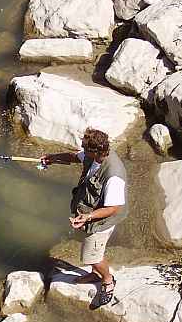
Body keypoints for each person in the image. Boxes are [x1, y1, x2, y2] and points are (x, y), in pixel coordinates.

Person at [40, 128, 128, 308]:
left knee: (92, 256)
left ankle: (107, 280)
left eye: (84, 148)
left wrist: (88, 217)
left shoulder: (114, 175)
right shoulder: (94, 155)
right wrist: (53, 158)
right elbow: (74, 157)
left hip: (101, 223)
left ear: (96, 150)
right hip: (89, 217)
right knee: (90, 251)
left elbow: (113, 208)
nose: (81, 150)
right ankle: (96, 274)